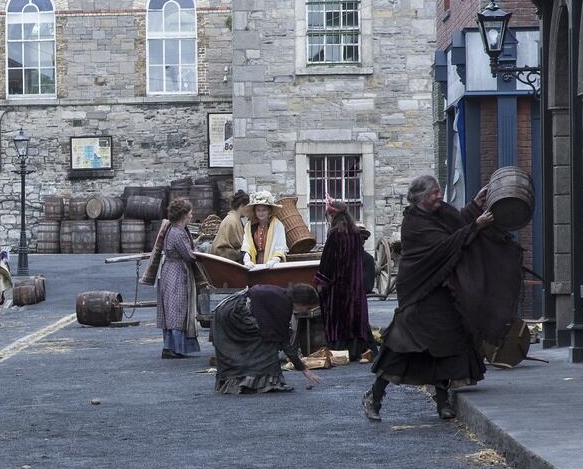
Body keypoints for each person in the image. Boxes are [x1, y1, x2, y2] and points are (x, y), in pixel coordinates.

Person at [362, 175, 522, 422]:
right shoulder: (414, 224)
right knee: (400, 347)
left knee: (446, 344)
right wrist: (476, 226)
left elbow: (456, 225)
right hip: (420, 293)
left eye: (438, 191)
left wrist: (474, 207)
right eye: (434, 193)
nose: (439, 196)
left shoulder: (440, 211)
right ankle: (374, 398)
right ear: (421, 198)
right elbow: (445, 245)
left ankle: (443, 402)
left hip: (443, 289)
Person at [211, 283, 322, 393]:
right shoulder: (283, 304)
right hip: (235, 312)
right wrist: (304, 369)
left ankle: (244, 381)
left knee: (266, 338)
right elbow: (283, 341)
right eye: (307, 308)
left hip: (226, 308)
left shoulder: (282, 295)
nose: (306, 311)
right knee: (269, 341)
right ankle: (263, 382)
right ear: (301, 303)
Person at [314, 200, 376, 357]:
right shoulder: (355, 233)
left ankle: (340, 351)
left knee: (339, 318)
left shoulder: (335, 234)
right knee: (354, 317)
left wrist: (321, 282)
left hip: (338, 287)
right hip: (355, 286)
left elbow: (328, 261)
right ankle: (357, 351)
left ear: (332, 215)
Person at [155, 198, 202, 359]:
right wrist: (201, 250)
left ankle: (170, 346)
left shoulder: (174, 230)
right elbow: (189, 255)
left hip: (170, 271)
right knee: (177, 309)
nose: (191, 216)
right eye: (189, 213)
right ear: (183, 215)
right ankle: (174, 348)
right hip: (176, 273)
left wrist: (195, 242)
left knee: (172, 309)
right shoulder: (178, 232)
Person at [241, 191, 288, 267]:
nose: (261, 213)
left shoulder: (277, 225)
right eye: (258, 210)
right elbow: (246, 245)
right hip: (255, 264)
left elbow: (280, 247)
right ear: (255, 211)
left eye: (264, 210)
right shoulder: (250, 226)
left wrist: (274, 260)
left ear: (269, 210)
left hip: (273, 266)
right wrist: (247, 260)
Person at [211, 189, 250, 262]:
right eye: (248, 207)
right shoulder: (232, 220)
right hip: (224, 256)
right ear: (242, 206)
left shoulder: (235, 218)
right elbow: (237, 243)